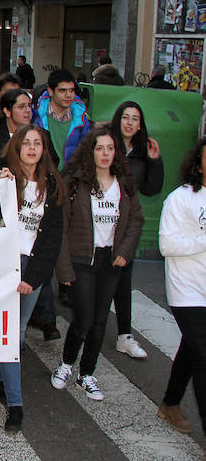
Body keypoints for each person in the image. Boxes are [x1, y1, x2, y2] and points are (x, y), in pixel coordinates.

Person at [51, 127, 144, 401]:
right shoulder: (76, 183)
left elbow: (136, 220)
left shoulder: (124, 184)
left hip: (111, 260)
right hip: (82, 259)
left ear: (116, 153)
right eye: (99, 148)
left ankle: (86, 373)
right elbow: (62, 229)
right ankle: (67, 363)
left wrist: (125, 252)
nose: (105, 154)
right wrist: (64, 269)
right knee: (83, 319)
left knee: (100, 321)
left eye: (110, 148)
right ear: (90, 151)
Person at [0, 125, 65, 432]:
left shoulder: (53, 187)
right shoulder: (3, 179)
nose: (32, 148)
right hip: (3, 266)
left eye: (38, 143)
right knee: (9, 336)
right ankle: (16, 404)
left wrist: (33, 278)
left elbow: (52, 241)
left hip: (32, 269)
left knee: (17, 331)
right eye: (26, 143)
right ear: (16, 147)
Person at [157, 137, 206, 435]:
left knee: (192, 348)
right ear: (198, 165)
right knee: (203, 355)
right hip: (187, 290)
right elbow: (166, 245)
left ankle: (170, 403)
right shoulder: (181, 198)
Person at [108, 102, 164, 359]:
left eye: (135, 119)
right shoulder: (106, 145)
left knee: (123, 279)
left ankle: (124, 335)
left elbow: (152, 188)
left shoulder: (143, 153)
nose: (129, 122)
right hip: (102, 220)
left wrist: (154, 161)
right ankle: (88, 330)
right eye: (125, 117)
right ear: (118, 119)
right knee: (97, 280)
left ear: (140, 124)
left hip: (128, 224)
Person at [33, 69, 90, 170]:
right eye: (62, 90)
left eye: (71, 90)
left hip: (70, 179)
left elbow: (86, 153)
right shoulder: (36, 116)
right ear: (51, 91)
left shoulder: (82, 120)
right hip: (42, 176)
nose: (68, 95)